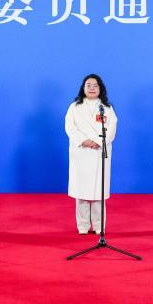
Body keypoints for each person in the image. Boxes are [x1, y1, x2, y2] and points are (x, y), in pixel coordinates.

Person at [65, 74, 117, 234]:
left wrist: (99, 142)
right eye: (89, 85)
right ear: (83, 88)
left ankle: (99, 226)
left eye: (95, 85)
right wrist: (84, 141)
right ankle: (82, 226)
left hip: (99, 153)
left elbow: (112, 128)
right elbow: (70, 127)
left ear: (100, 88)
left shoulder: (106, 108)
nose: (92, 88)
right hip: (81, 152)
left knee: (98, 192)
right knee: (81, 192)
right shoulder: (74, 107)